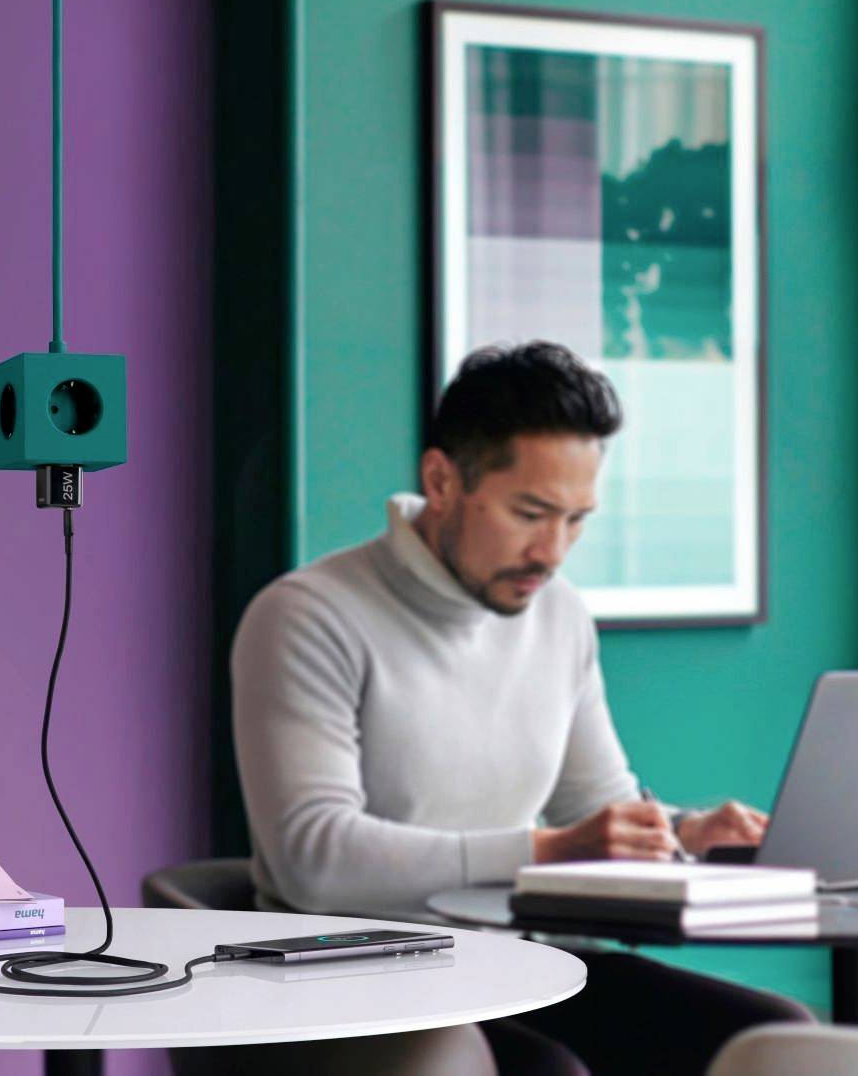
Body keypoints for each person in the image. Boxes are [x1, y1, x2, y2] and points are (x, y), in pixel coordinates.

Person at [228, 342, 811, 1075]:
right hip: (353, 977)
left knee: (776, 1039)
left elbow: (598, 805)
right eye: (530, 513)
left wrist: (686, 834)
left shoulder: (559, 616)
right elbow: (315, 859)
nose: (553, 550)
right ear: (442, 480)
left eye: (576, 519)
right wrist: (546, 849)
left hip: (519, 965)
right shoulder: (308, 616)